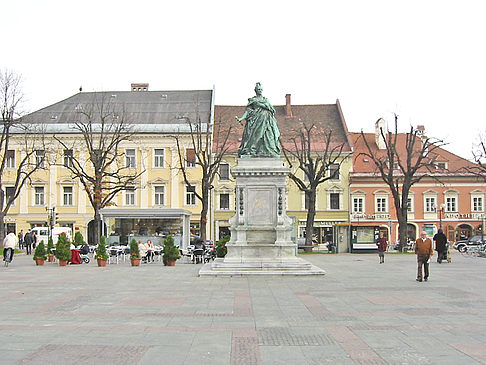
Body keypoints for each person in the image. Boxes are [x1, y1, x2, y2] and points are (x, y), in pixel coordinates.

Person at [235, 82, 281, 158]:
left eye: (260, 89)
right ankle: (252, 150)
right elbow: (248, 111)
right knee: (255, 136)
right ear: (255, 90)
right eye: (258, 89)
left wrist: (260, 105)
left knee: (269, 137)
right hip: (255, 121)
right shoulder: (253, 100)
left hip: (266, 121)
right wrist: (241, 118)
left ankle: (269, 150)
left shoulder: (265, 99)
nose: (259, 91)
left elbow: (272, 109)